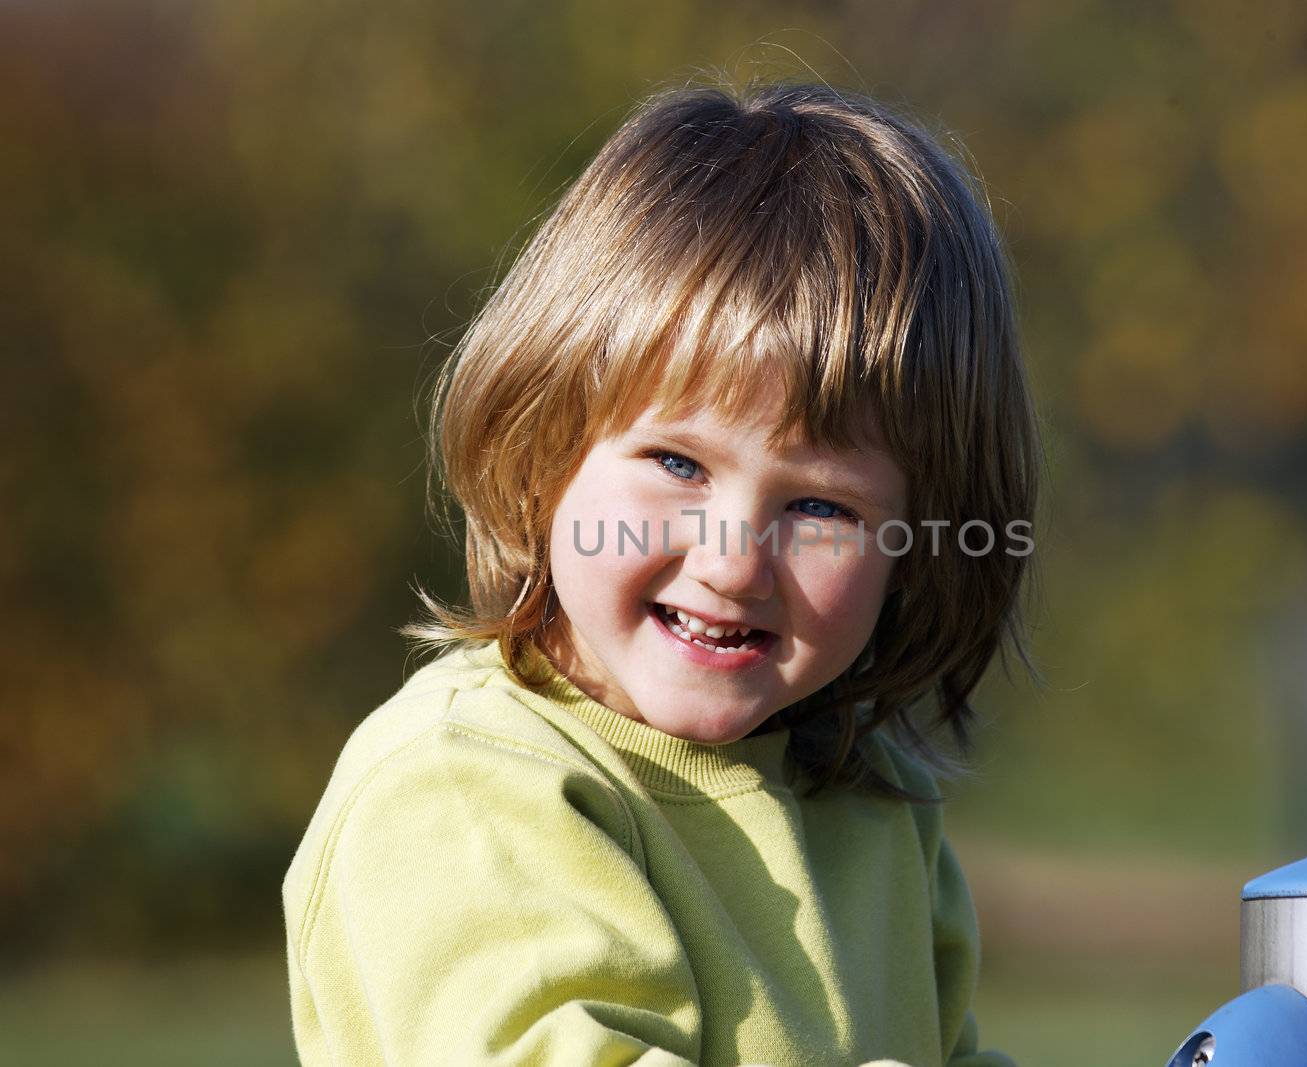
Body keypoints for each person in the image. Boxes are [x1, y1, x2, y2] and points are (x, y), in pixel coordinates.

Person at [282, 77, 1042, 1067]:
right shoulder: (462, 787)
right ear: (543, 445)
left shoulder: (874, 801)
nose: (731, 562)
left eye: (821, 507)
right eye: (679, 465)